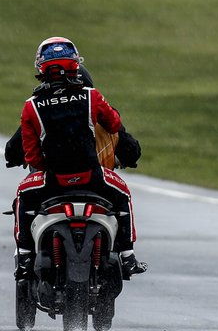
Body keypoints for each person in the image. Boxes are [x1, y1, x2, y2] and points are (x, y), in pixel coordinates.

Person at [9, 36, 147, 280]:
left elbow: (27, 151)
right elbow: (118, 129)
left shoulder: (32, 106)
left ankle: (24, 256)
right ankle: (127, 255)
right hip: (93, 178)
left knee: (22, 197)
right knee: (124, 193)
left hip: (52, 180)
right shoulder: (92, 98)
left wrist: (42, 167)